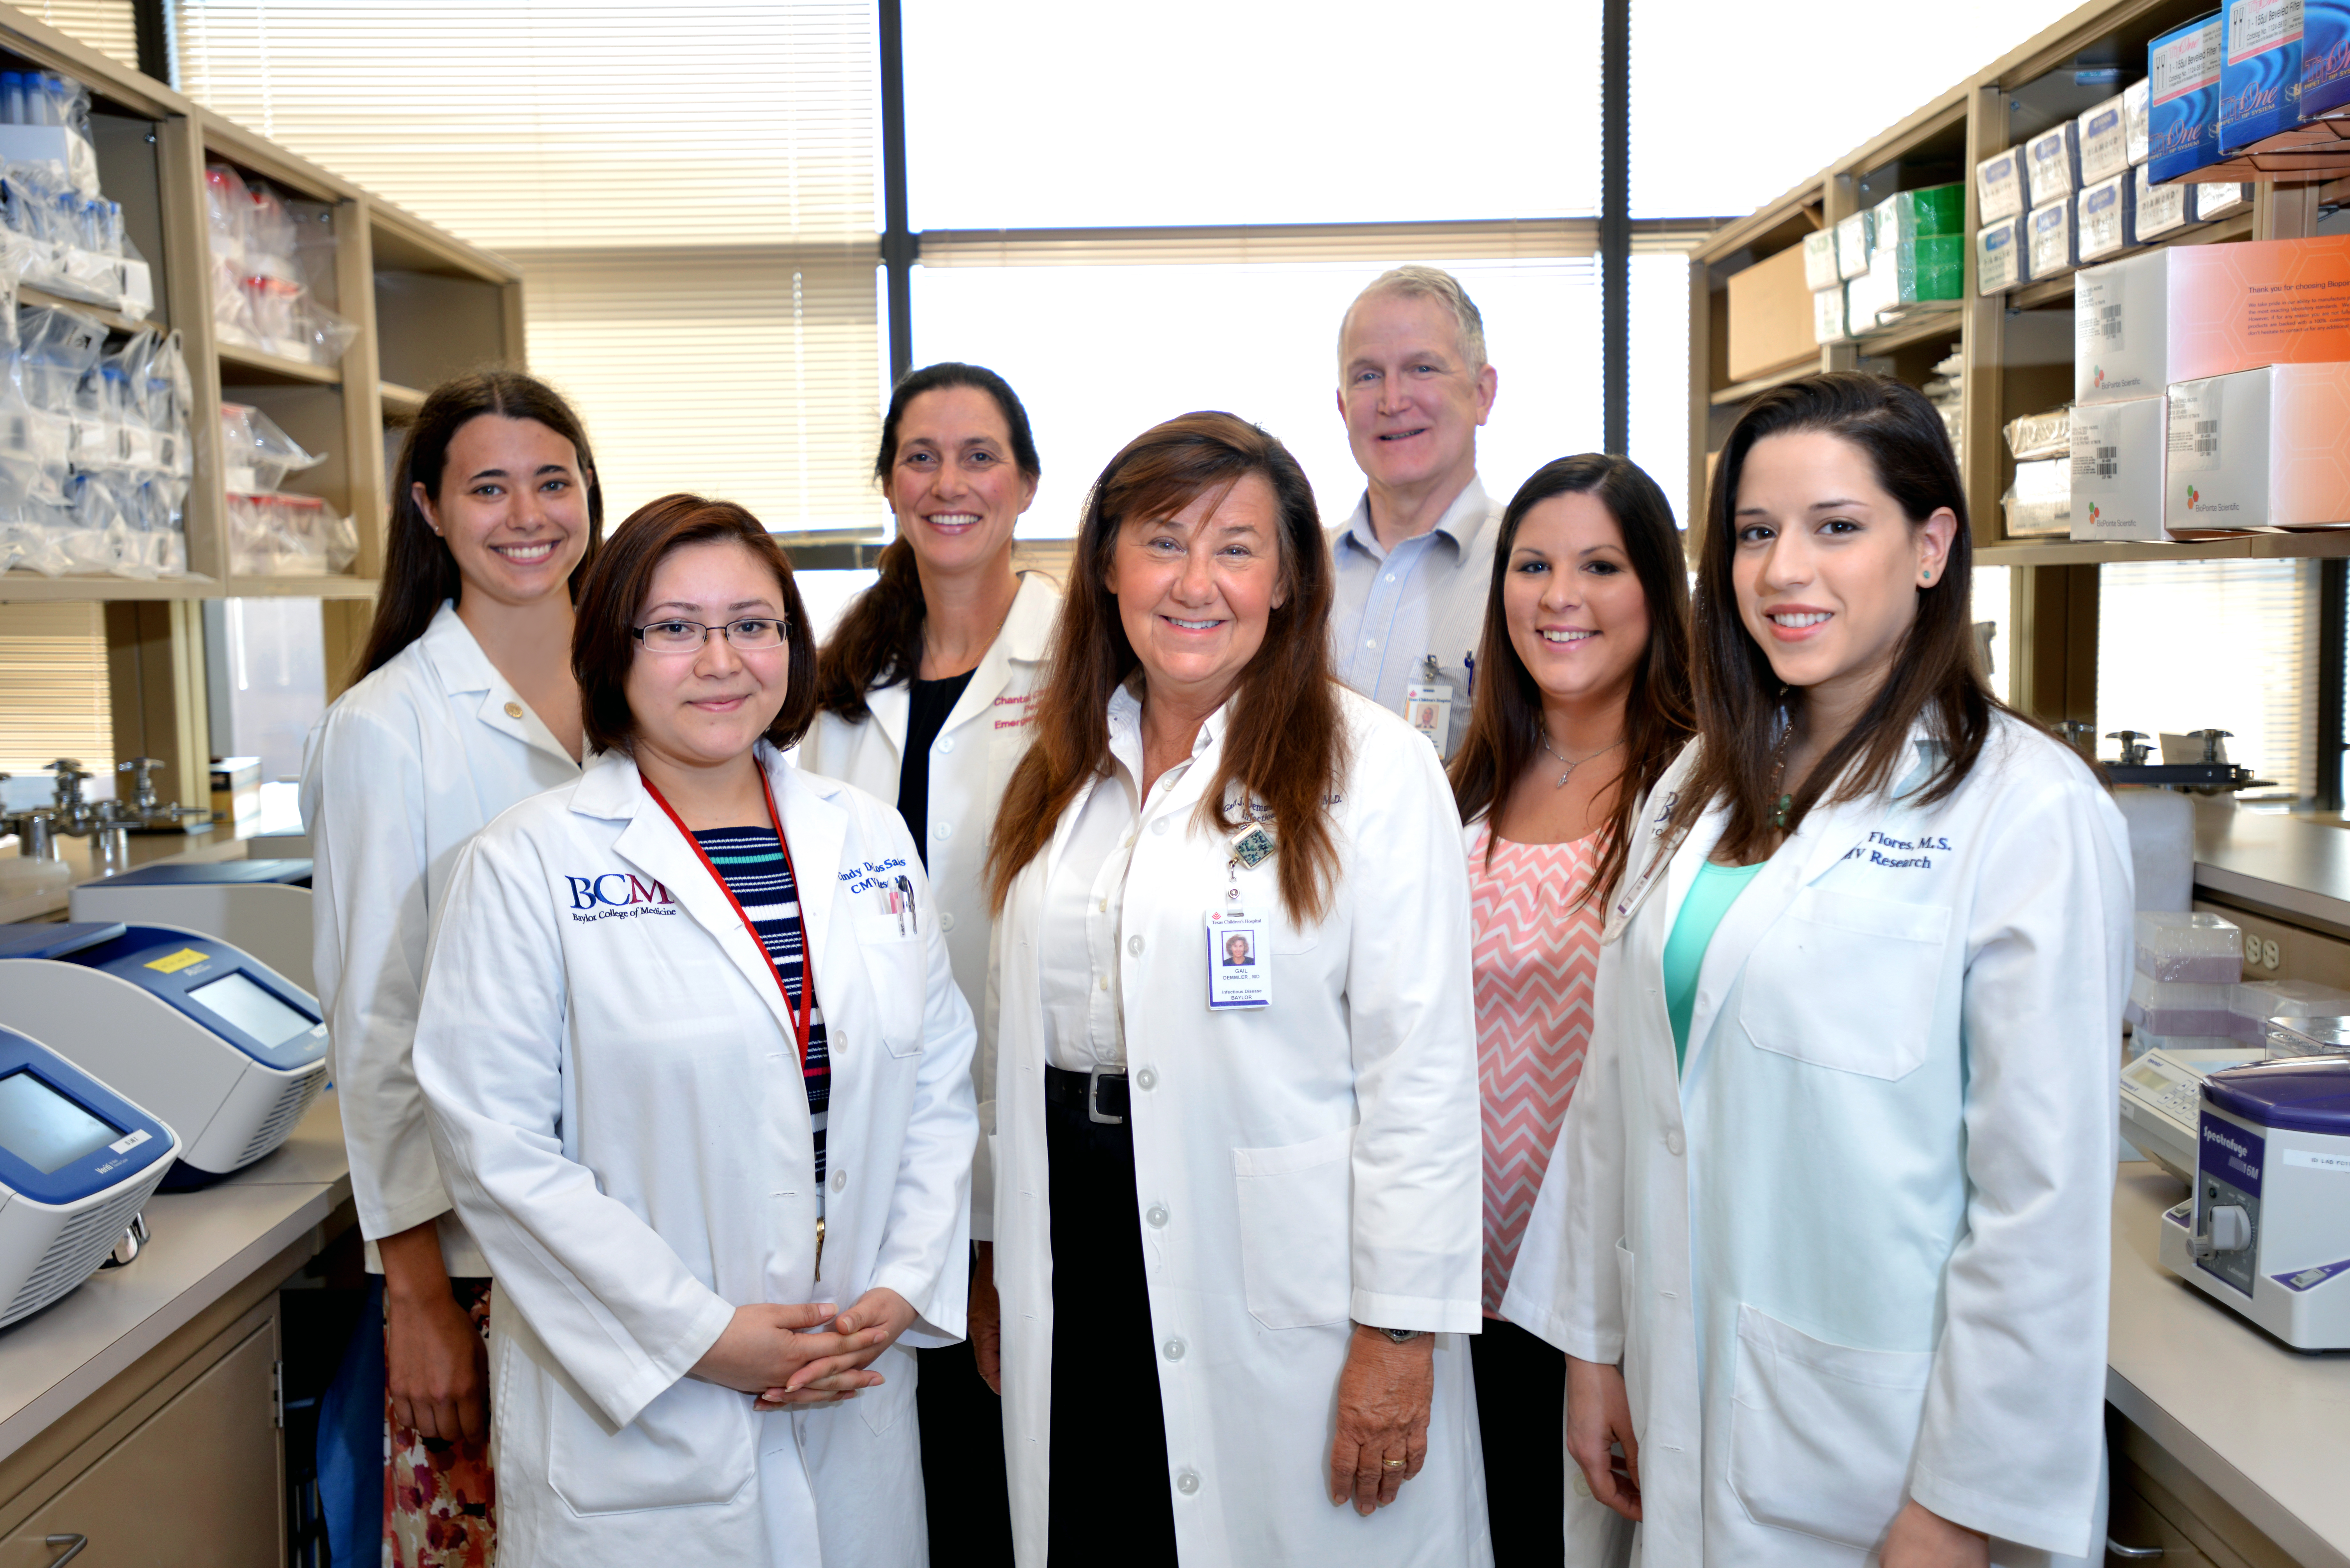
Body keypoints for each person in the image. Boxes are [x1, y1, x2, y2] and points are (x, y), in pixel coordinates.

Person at [1502, 374, 2132, 1566]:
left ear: (1933, 544)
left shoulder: (2029, 814)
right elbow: (1618, 1091)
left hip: (1885, 1454)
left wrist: (1961, 1506)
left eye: (1837, 527)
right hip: (1675, 1398)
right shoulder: (1697, 783)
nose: (1786, 570)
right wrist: (1593, 1348)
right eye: (1755, 532)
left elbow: (2038, 1207)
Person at [412, 495, 979, 1565]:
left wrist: (898, 1286)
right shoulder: (528, 862)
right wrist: (705, 1337)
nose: (720, 659)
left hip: (852, 1373)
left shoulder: (862, 833)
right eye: (674, 628)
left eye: (753, 624)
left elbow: (938, 1077)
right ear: (612, 650)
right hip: (649, 1423)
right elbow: (499, 1152)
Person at [978, 411, 1490, 1566]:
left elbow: (1421, 1076)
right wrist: (1006, 1260)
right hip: (1077, 1243)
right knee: (1106, 1522)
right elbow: (1014, 1050)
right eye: (1163, 542)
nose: (1195, 583)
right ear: (1106, 566)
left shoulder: (1371, 769)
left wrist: (1398, 1334)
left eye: (1238, 547)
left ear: (1289, 579)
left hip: (1287, 1280)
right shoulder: (1060, 770)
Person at [300, 370, 603, 1568]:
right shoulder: (388, 727)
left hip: (649, 1235)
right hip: (482, 1266)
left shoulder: (657, 684)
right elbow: (376, 1030)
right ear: (431, 509)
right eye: (489, 487)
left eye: (552, 481)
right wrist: (417, 1297)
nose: (526, 514)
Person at [800, 363, 1058, 1564]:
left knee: (1009, 1476)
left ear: (1028, 482)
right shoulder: (832, 682)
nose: (948, 483)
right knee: (894, 1485)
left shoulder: (1085, 666)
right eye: (920, 456)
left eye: (979, 456)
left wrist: (1000, 1223)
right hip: (865, 1148)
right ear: (889, 482)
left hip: (1031, 1141)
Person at [1445, 454, 1693, 1567]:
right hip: (1456, 1279)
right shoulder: (1466, 776)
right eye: (1533, 565)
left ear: (1658, 590)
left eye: (1601, 566)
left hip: (1597, 1289)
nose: (1561, 597)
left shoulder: (1697, 789)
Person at [1327, 265, 1502, 760]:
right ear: (1343, 408)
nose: (1392, 401)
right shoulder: (1291, 574)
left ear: (1483, 394)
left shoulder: (1531, 573)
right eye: (1368, 376)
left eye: (1422, 368)